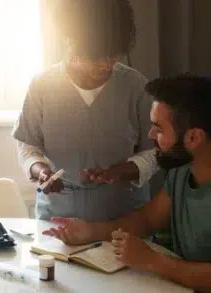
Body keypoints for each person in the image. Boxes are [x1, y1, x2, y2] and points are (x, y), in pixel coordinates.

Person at [43, 74, 211, 292]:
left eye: (159, 129)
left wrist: (153, 261)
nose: (150, 134)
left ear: (194, 138)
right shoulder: (181, 171)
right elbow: (148, 219)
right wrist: (90, 232)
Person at [12, 0, 159, 221]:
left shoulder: (135, 86)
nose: (106, 65)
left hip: (122, 213)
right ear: (72, 43)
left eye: (113, 55)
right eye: (97, 57)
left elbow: (155, 151)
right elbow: (27, 146)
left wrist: (120, 171)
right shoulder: (43, 86)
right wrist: (41, 171)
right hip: (58, 213)